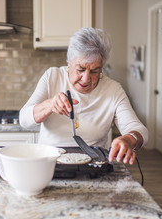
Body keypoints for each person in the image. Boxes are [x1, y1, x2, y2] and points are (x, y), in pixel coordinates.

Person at [19, 27, 148, 165]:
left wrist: (128, 139)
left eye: (94, 71)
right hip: (49, 163)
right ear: (69, 63)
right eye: (80, 69)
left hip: (94, 165)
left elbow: (141, 131)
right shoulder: (52, 77)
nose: (86, 79)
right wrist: (50, 105)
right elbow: (24, 120)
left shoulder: (113, 90)